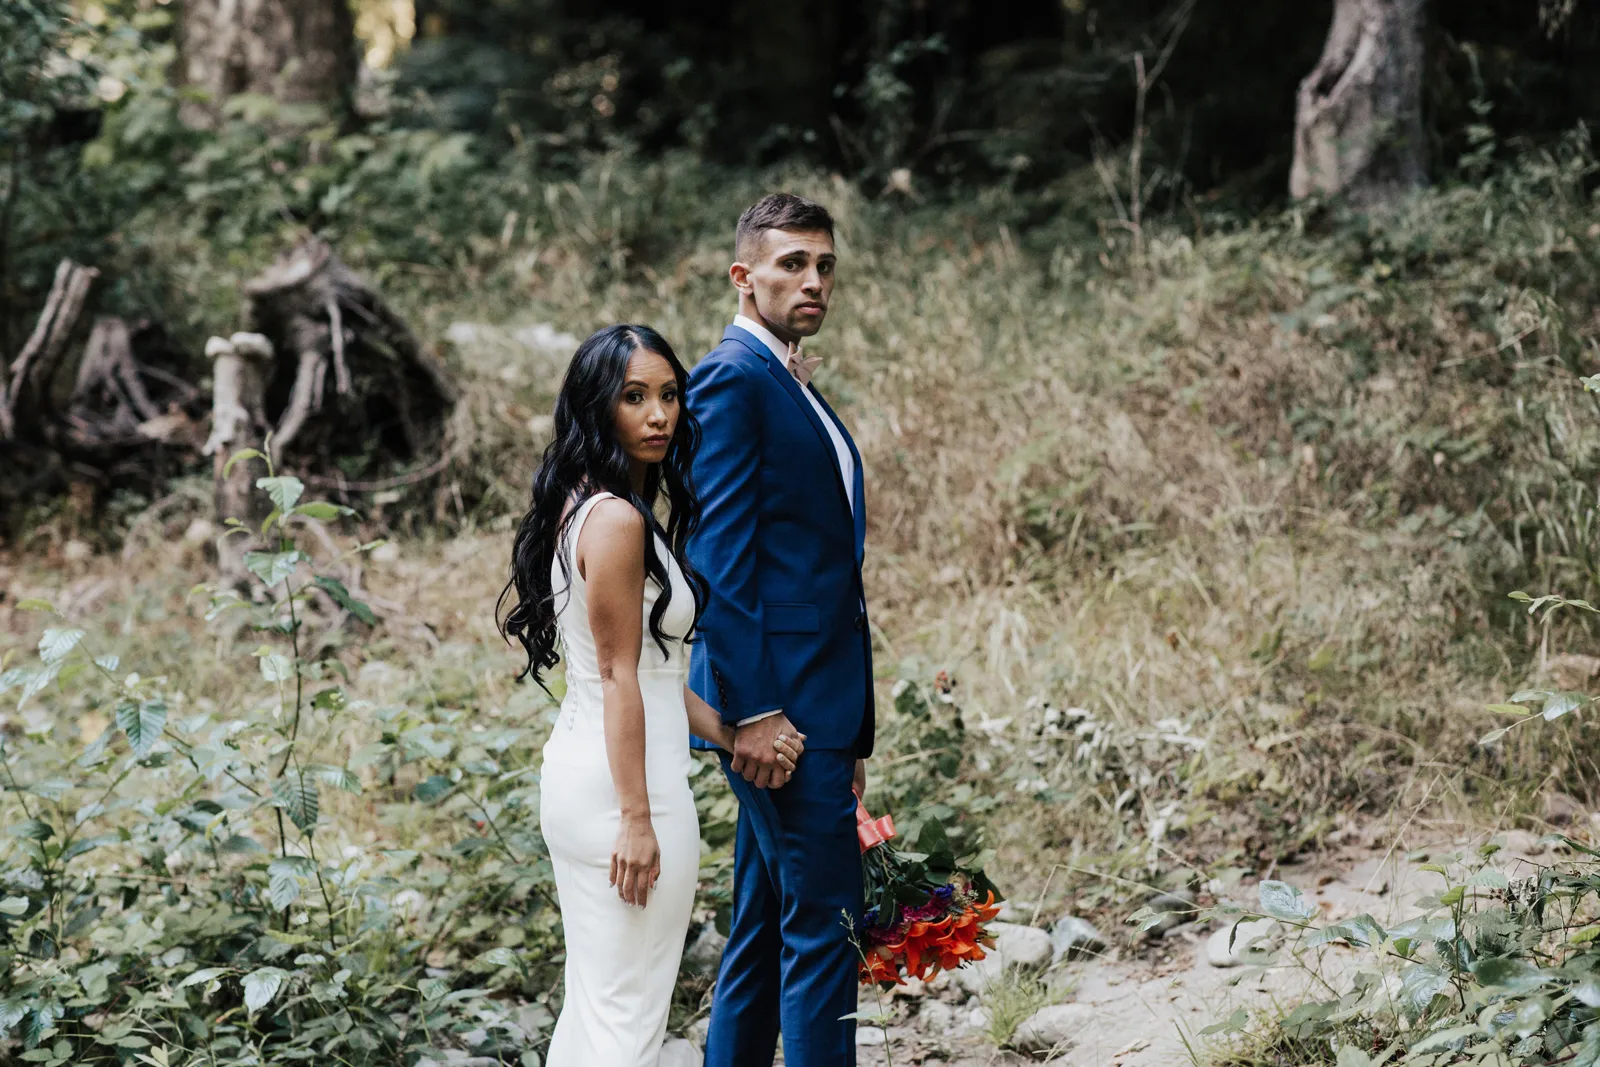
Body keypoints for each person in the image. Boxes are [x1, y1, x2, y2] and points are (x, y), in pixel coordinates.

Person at [498, 324, 807, 1066]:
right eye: (634, 397)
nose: (659, 414)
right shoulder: (614, 519)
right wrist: (637, 820)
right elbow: (618, 677)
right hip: (622, 794)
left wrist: (732, 734)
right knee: (627, 1021)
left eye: (669, 394)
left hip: (598, 775)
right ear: (597, 407)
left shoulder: (597, 504)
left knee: (600, 1007)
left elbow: (657, 677)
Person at [688, 194, 875, 1067]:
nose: (813, 280)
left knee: (766, 930)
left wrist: (851, 723)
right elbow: (718, 558)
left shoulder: (788, 378)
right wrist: (757, 710)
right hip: (780, 713)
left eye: (824, 265)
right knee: (826, 929)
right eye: (792, 263)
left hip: (818, 705)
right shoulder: (733, 378)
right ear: (743, 275)